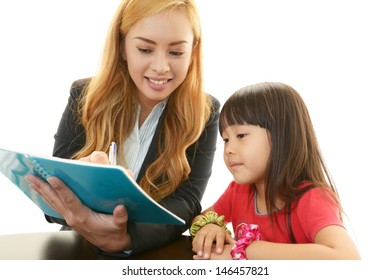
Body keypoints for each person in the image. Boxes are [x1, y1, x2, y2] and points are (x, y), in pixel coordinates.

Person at [26, 0, 220, 255]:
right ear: (122, 46)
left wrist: (127, 239)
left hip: (148, 256)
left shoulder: (204, 111)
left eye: (176, 52)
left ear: (193, 51)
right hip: (80, 251)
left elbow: (187, 201)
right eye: (145, 49)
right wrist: (85, 185)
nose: (161, 67)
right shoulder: (84, 96)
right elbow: (52, 200)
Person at [190, 82, 361, 260]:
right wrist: (210, 227)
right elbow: (199, 219)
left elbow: (347, 257)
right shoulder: (238, 192)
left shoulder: (311, 198)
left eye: (241, 135)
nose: (229, 149)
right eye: (226, 139)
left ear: (282, 136)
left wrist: (245, 251)